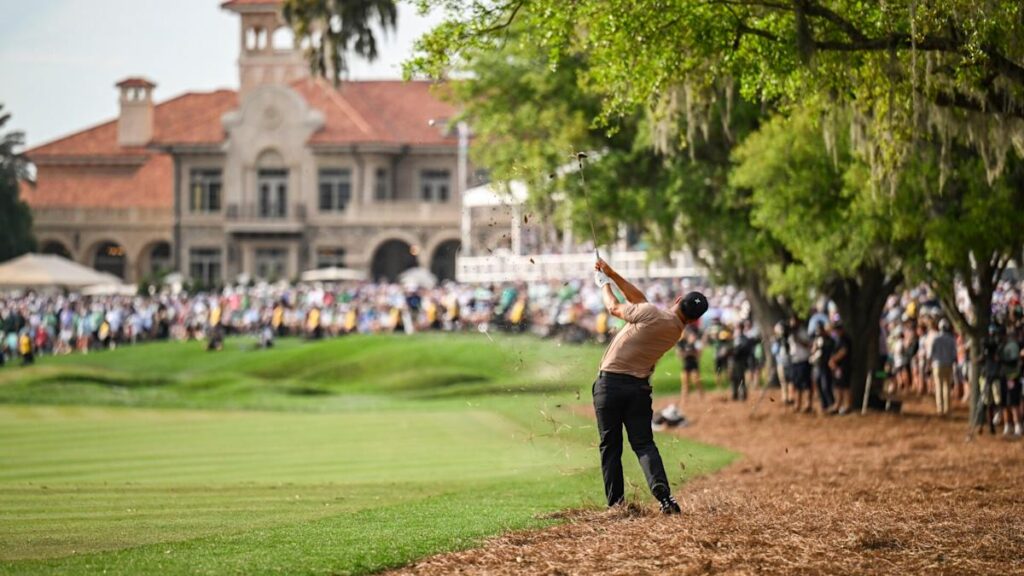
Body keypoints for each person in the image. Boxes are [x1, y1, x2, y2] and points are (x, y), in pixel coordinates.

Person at [592, 258, 707, 515]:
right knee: (644, 444)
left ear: (677, 299)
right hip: (639, 389)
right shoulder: (674, 330)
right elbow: (640, 301)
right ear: (693, 320)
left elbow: (614, 308)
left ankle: (617, 506)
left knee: (610, 445)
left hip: (610, 384)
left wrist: (603, 285)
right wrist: (612, 274)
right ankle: (665, 497)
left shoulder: (654, 314)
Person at [928, 319, 957, 416]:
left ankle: (940, 409)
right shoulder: (951, 339)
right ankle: (947, 409)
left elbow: (930, 353)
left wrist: (930, 362)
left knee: (938, 387)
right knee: (946, 387)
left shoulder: (936, 338)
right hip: (948, 364)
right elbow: (954, 354)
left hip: (937, 364)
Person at [829, 322, 853, 414]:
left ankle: (847, 405)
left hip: (844, 366)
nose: (836, 331)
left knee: (845, 386)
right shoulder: (838, 339)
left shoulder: (845, 339)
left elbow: (844, 351)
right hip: (838, 367)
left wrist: (833, 359)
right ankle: (838, 404)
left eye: (838, 329)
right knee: (838, 385)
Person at [676, 326, 703, 402]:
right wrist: (688, 353)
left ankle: (700, 397)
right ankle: (684, 399)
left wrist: (689, 352)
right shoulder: (681, 343)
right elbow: (679, 355)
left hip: (694, 363)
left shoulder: (693, 342)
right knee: (685, 383)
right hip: (686, 364)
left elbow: (698, 354)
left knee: (697, 381)